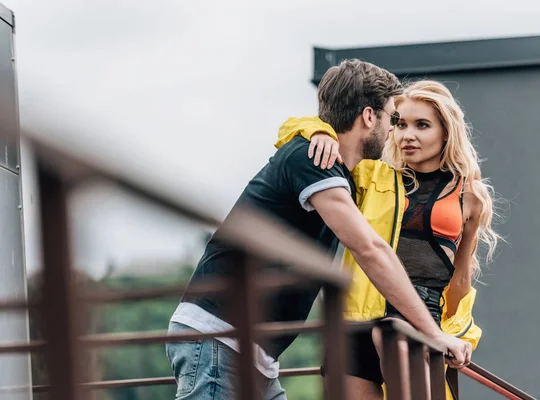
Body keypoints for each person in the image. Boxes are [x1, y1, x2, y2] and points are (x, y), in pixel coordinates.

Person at [166, 62, 472, 400]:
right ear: (369, 117)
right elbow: (369, 248)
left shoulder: (333, 166)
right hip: (219, 337)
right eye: (391, 118)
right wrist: (433, 332)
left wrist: (317, 129)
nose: (393, 132)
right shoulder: (312, 160)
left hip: (253, 354)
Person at [276, 79, 500, 399]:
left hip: (415, 325)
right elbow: (290, 130)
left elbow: (461, 278)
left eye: (422, 125)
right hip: (354, 324)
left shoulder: (470, 196)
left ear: (446, 131)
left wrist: (452, 335)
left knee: (393, 337)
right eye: (400, 123)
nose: (407, 135)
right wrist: (319, 132)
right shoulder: (371, 175)